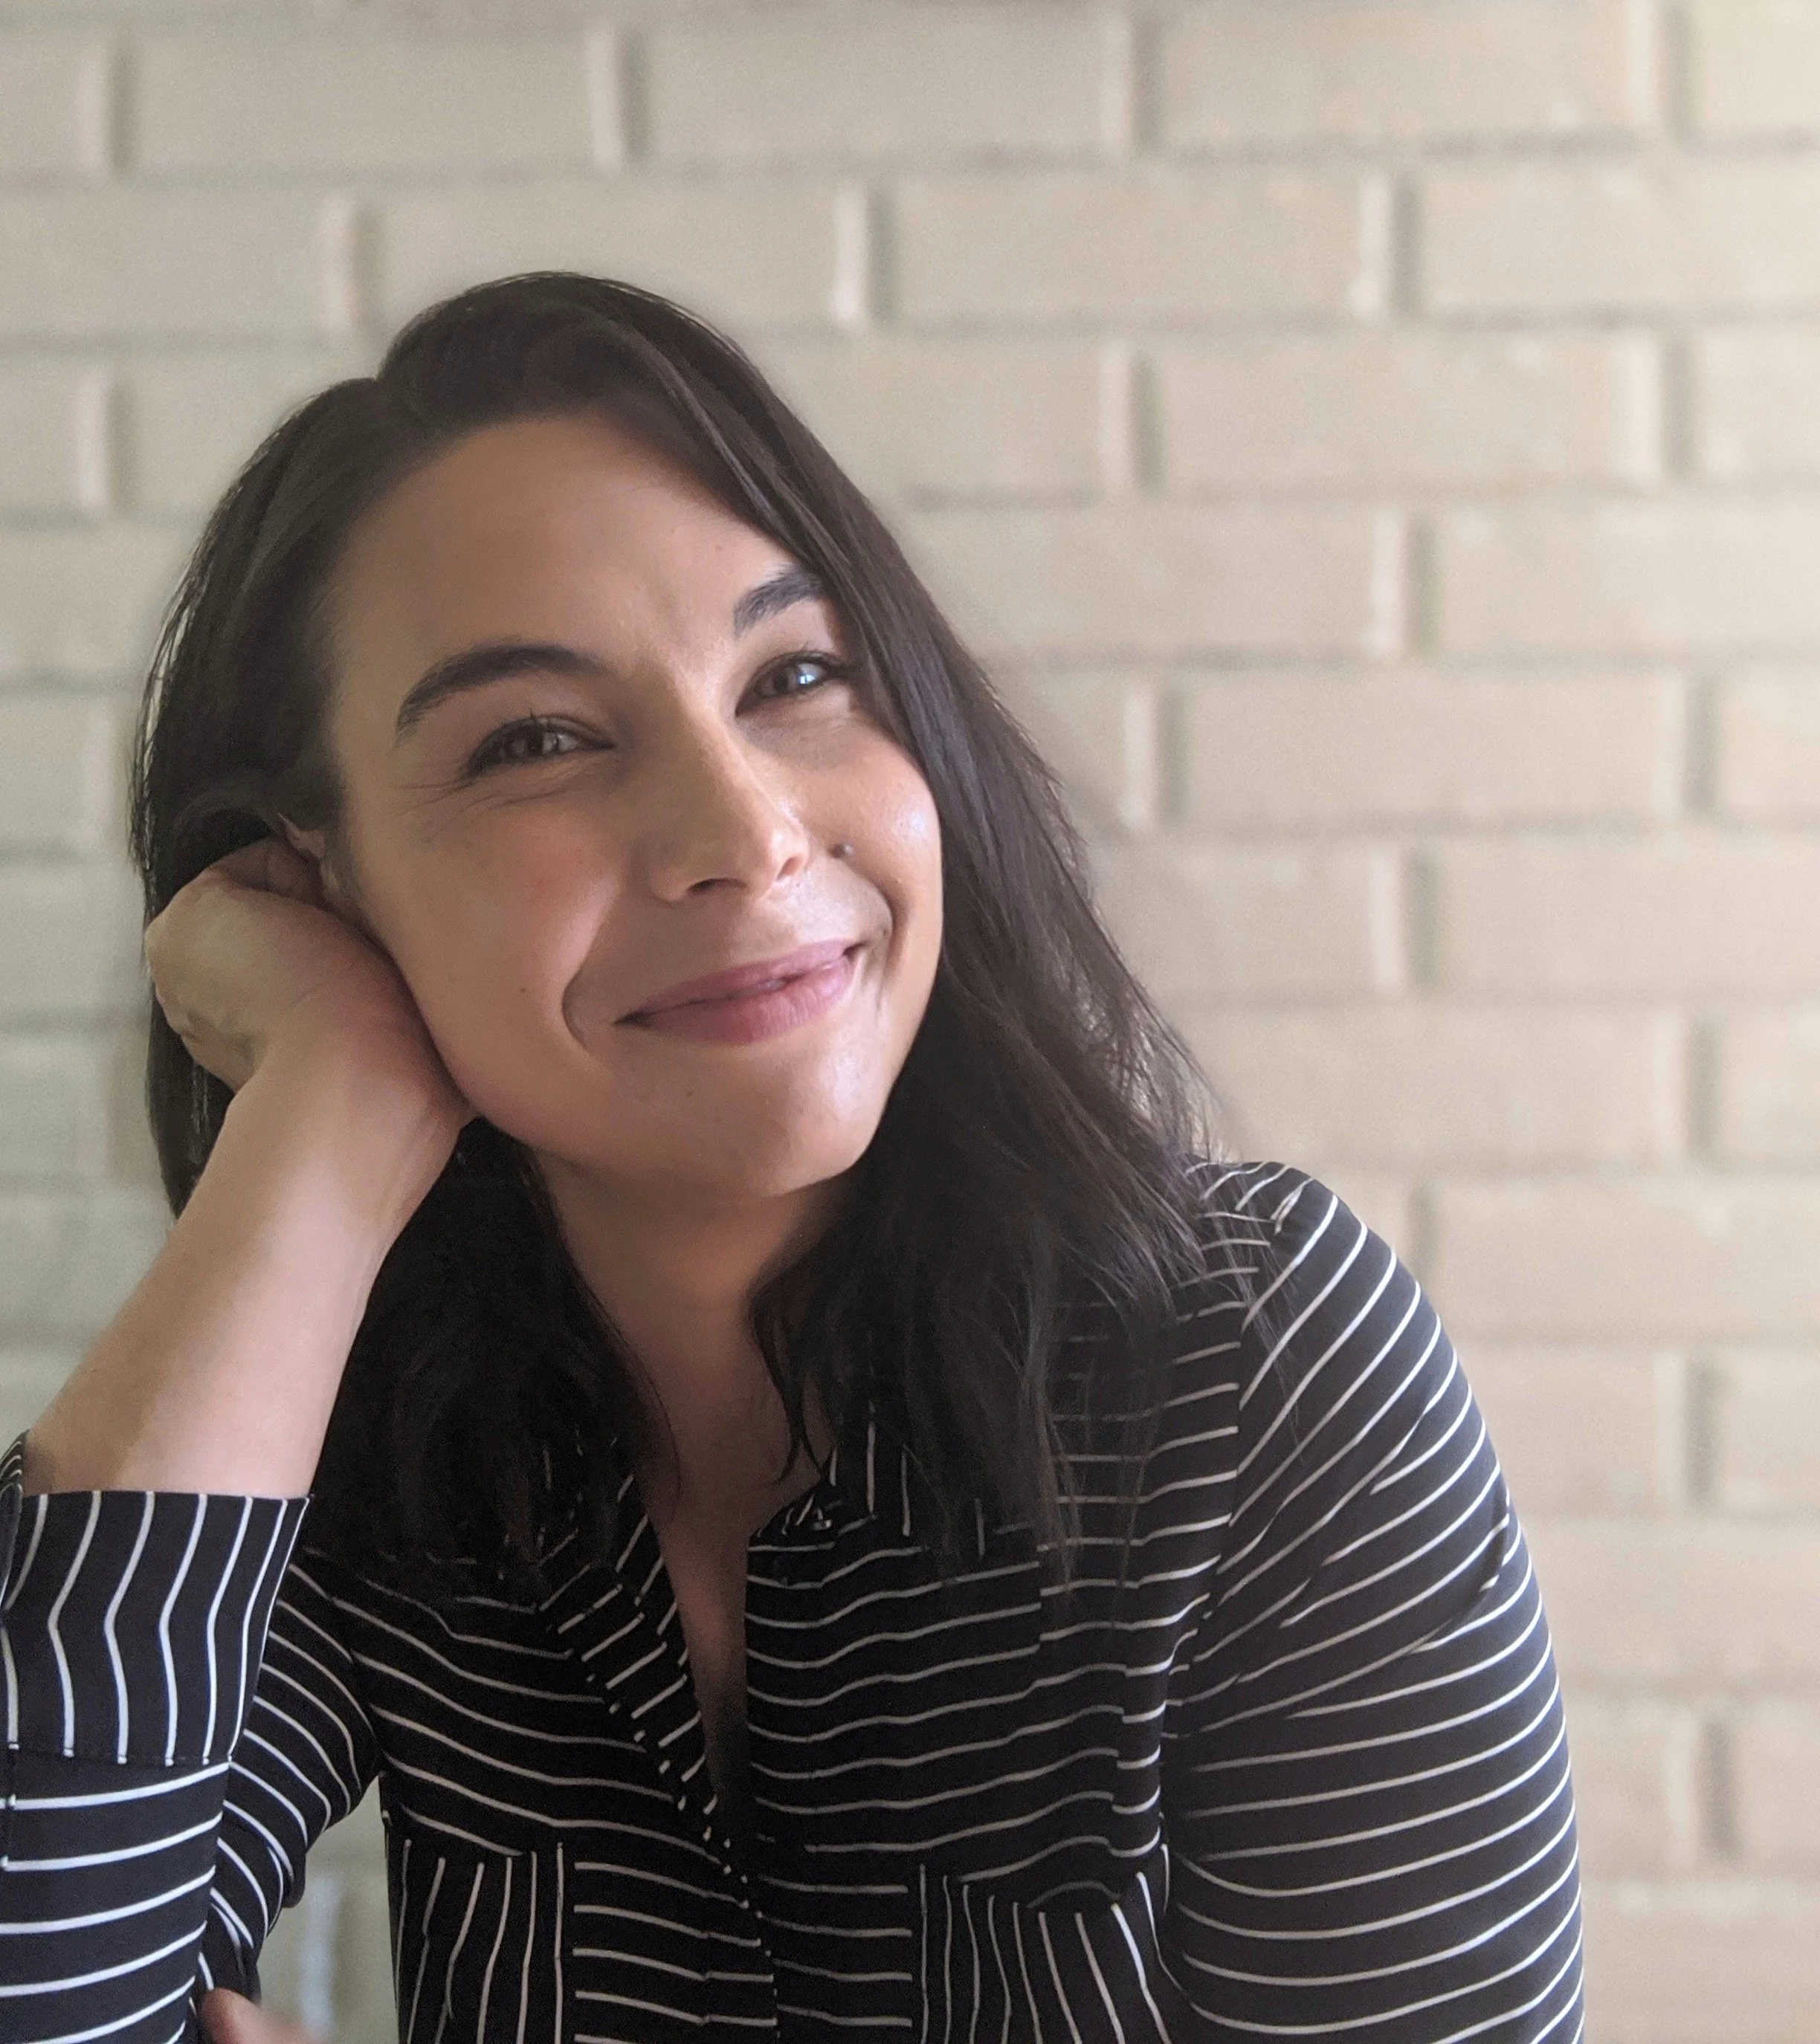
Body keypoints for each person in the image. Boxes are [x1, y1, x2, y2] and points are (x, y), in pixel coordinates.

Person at [0, 274, 1584, 2043]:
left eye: (799, 674)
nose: (744, 829)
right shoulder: (363, 1413)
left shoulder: (1247, 1364)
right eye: (536, 739)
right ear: (313, 880)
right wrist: (319, 1123)